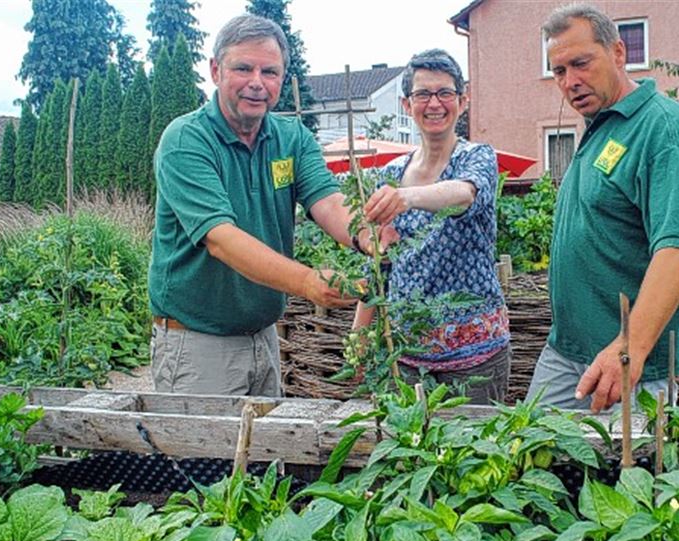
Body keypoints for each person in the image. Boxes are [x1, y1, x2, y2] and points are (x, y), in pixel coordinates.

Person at [149, 14, 403, 397]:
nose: (257, 82)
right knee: (207, 457)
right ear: (216, 70)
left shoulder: (290, 137)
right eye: (243, 68)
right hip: (198, 344)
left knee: (264, 455)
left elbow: (329, 201)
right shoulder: (186, 141)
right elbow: (221, 239)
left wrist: (367, 236)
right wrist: (307, 282)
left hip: (263, 337)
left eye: (270, 72)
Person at [527, 4, 679, 412]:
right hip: (567, 351)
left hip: (628, 364)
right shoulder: (602, 125)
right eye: (559, 71)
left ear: (619, 53)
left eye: (581, 63)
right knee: (528, 458)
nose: (570, 82)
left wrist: (629, 347)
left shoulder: (663, 127)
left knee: (628, 473)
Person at [353, 49, 511, 405]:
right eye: (423, 94)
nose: (434, 103)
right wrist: (360, 337)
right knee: (405, 455)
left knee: (474, 456)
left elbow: (465, 194)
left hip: (475, 359)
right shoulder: (389, 174)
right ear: (407, 105)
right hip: (404, 357)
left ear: (463, 100)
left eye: (445, 93)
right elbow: (380, 263)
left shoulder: (476, 157)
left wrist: (407, 197)